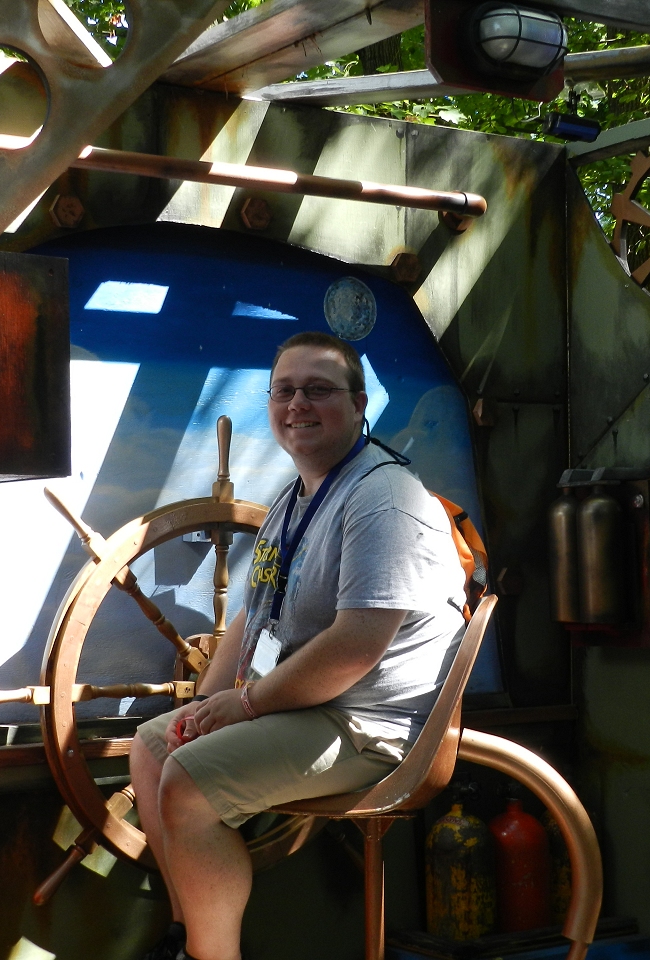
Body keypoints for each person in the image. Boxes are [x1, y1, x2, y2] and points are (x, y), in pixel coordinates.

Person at [129, 331, 467, 960]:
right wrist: (203, 709)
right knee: (153, 751)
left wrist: (248, 705)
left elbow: (356, 646)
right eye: (284, 391)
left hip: (378, 724)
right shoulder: (294, 502)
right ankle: (186, 935)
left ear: (360, 402)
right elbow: (250, 620)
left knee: (187, 785)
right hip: (322, 707)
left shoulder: (383, 497)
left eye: (319, 390)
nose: (297, 405)